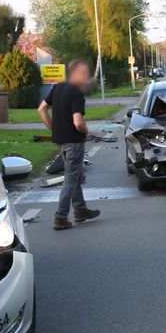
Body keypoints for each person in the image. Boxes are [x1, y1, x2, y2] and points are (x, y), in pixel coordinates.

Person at [37, 59, 101, 230]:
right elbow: (78, 122)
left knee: (75, 174)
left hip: (61, 140)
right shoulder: (76, 93)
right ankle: (60, 217)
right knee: (71, 179)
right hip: (74, 141)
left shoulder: (58, 88)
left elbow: (41, 109)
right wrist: (86, 132)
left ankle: (80, 210)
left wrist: (52, 127)